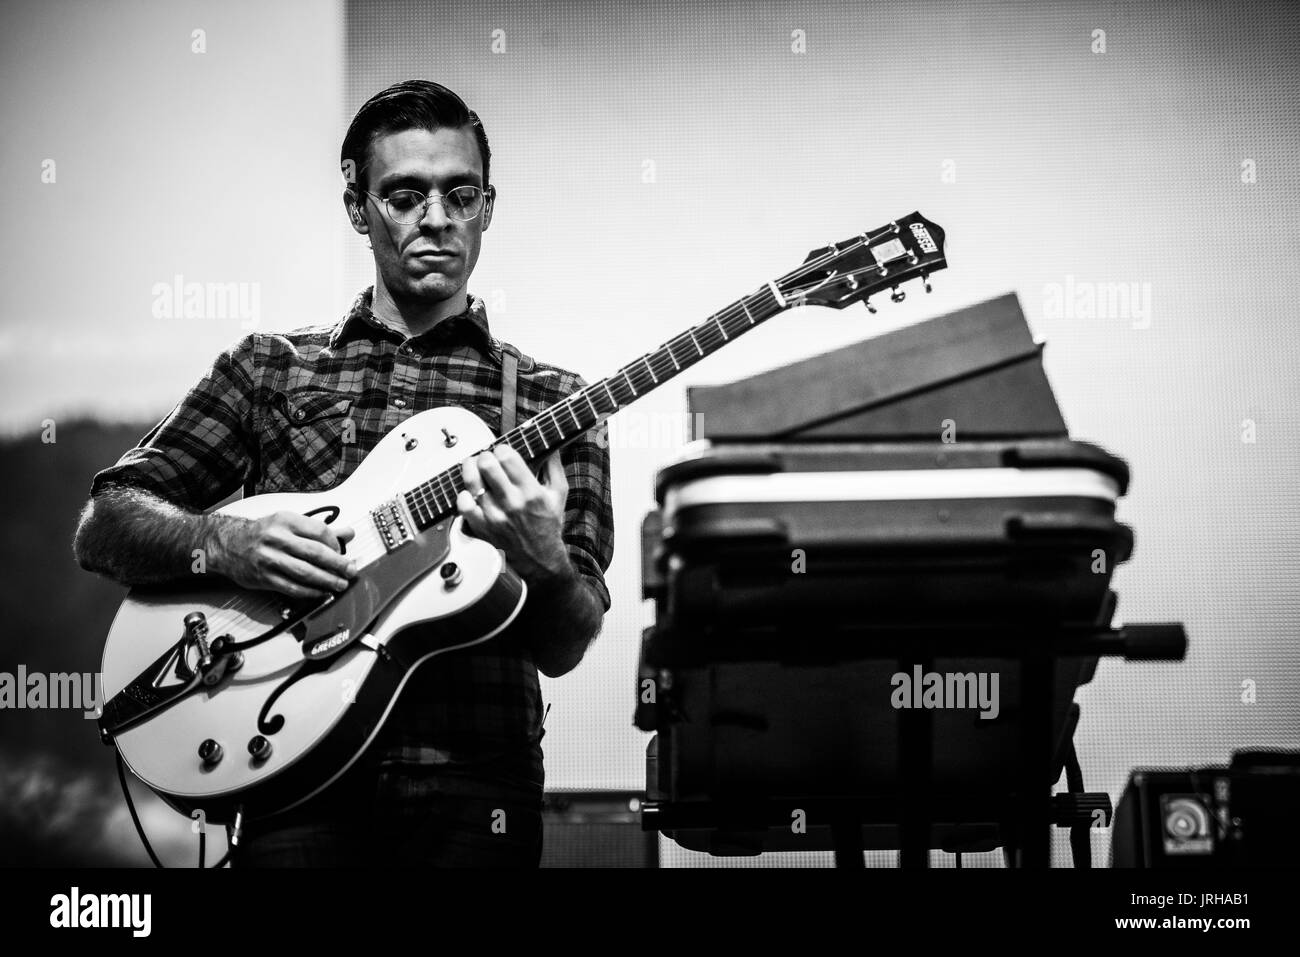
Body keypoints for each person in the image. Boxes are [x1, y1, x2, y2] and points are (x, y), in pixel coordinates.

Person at [72, 79, 615, 867]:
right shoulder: (271, 368)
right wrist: (223, 542)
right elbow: (107, 522)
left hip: (472, 792)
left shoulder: (555, 404)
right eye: (404, 195)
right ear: (359, 208)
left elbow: (569, 640)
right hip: (290, 780)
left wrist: (546, 563)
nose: (436, 217)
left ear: (488, 206)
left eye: (460, 193)